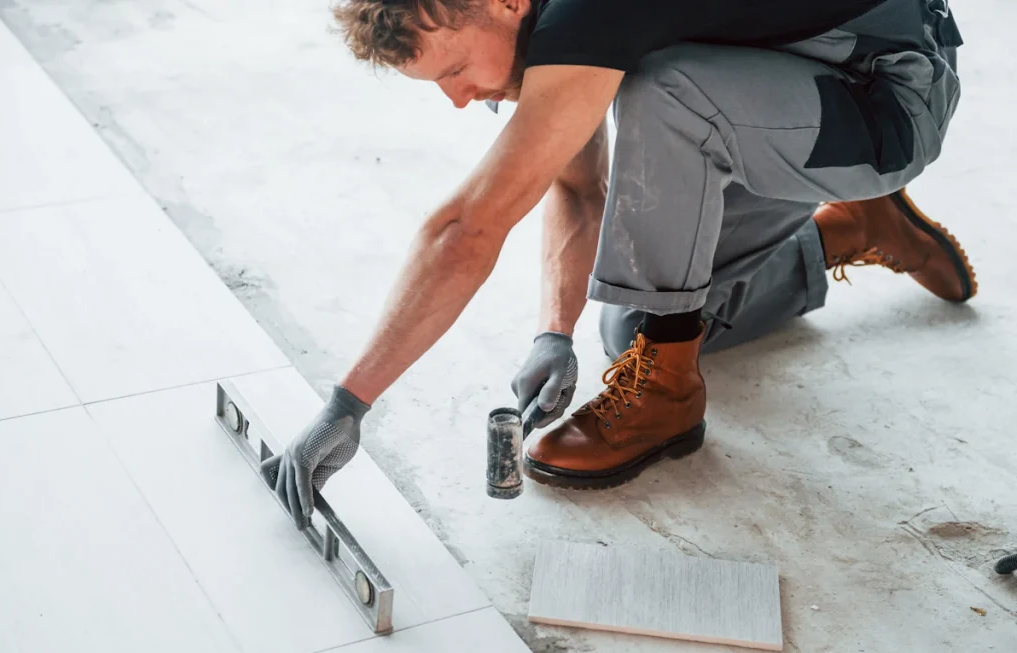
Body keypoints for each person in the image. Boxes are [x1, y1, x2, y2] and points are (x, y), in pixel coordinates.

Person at [262, 0, 975, 527]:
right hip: (785, 104)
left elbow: (467, 228)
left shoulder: (588, 13)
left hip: (888, 89)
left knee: (665, 93)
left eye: (453, 69)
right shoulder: (559, 21)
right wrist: (553, 331)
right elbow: (576, 184)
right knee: (640, 320)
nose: (458, 99)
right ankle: (849, 229)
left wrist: (347, 404)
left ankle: (667, 400)